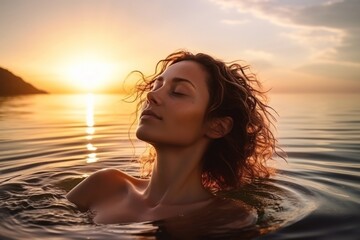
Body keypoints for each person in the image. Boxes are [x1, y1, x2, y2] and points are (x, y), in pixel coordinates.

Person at [66, 50, 282, 227]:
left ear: (217, 126)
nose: (151, 96)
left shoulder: (228, 218)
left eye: (178, 92)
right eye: (155, 87)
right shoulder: (105, 184)